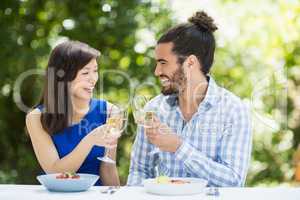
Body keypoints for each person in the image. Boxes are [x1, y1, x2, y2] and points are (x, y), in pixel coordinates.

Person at [127, 11, 252, 187]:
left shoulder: (234, 110)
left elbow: (233, 180)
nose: (157, 71)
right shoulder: (153, 109)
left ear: (190, 63)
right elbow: (139, 171)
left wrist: (178, 147)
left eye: (163, 63)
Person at [26, 41, 120, 186]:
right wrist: (90, 140)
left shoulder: (110, 112)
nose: (93, 79)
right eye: (85, 72)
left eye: (95, 70)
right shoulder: (36, 117)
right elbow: (55, 173)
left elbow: (108, 168)